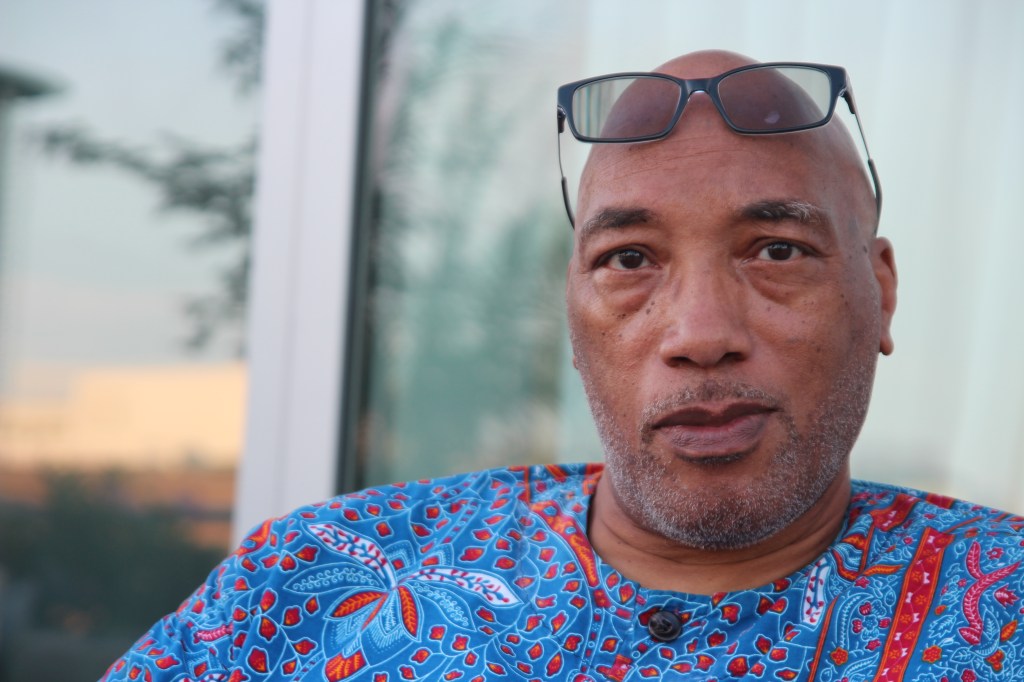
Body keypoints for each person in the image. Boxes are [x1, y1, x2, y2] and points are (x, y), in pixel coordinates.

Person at [102, 50, 1024, 682]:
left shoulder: (1003, 607)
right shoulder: (314, 582)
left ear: (880, 293)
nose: (701, 333)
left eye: (777, 251)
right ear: (573, 316)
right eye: (630, 260)